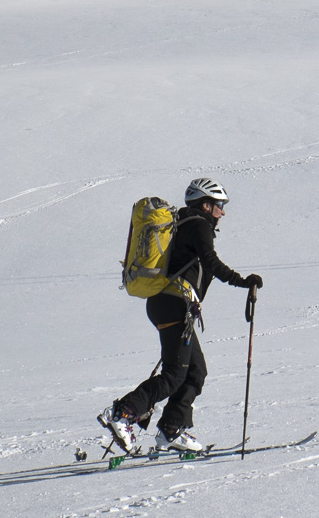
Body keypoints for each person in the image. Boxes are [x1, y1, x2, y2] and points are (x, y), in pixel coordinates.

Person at [98, 178, 262, 453]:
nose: (222, 212)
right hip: (174, 304)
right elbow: (211, 262)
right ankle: (123, 413)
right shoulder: (198, 225)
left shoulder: (184, 224)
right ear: (206, 205)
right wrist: (243, 281)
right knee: (175, 374)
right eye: (220, 206)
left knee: (195, 371)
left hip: (168, 303)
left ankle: (171, 429)